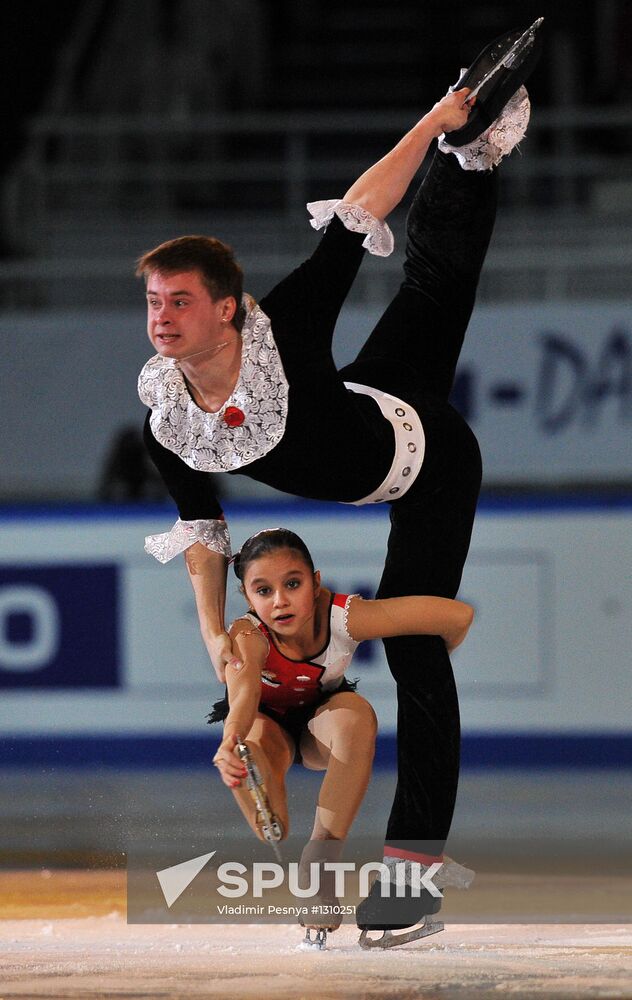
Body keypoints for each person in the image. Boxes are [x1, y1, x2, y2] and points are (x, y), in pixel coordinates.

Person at [137, 67, 532, 938]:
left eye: (182, 303)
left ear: (228, 310)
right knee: (434, 287)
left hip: (429, 465)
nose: (162, 319)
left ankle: (411, 882)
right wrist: (213, 631)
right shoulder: (166, 416)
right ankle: (472, 162)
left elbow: (360, 210)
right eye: (154, 303)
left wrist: (427, 119)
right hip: (376, 398)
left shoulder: (280, 328)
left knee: (420, 660)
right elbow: (203, 530)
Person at [209, 527, 473, 941]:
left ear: (315, 584)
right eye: (263, 591)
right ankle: (251, 768)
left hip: (322, 725)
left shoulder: (343, 617)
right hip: (263, 726)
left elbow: (458, 616)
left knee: (357, 717)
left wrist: (426, 666)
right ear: (246, 597)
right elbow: (243, 695)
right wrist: (231, 739)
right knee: (265, 798)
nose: (279, 601)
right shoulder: (247, 635)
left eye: (292, 584)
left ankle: (320, 859)